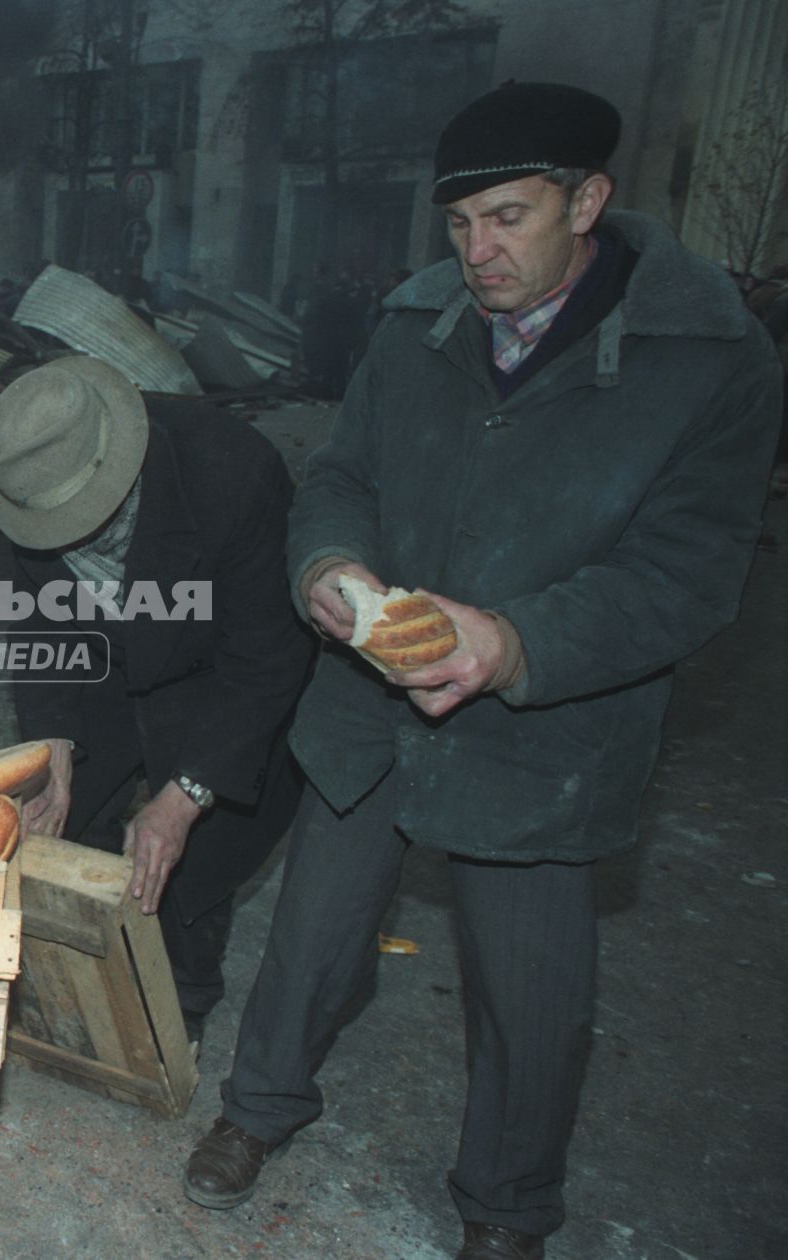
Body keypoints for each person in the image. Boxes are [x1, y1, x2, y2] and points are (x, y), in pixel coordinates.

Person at [181, 82, 781, 1260]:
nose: (478, 252)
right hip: (369, 706)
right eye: (458, 226)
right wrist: (331, 565)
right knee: (311, 937)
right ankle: (256, 1114)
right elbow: (341, 472)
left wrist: (511, 643)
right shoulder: (416, 325)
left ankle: (507, 1205)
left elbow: (689, 573)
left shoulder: (708, 358)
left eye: (508, 218)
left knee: (532, 990)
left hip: (548, 732)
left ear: (590, 200)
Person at [0, 357, 314, 1046]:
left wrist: (183, 795)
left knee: (183, 849)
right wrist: (56, 746)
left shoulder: (234, 476)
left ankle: (176, 1002)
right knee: (51, 815)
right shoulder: (31, 478)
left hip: (215, 662)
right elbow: (41, 623)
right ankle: (72, 974)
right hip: (101, 648)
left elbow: (266, 659)